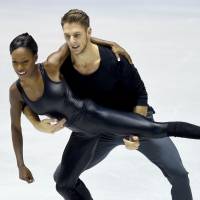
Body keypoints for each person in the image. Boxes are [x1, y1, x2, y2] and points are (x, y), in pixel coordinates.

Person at [22, 9, 195, 200]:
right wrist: (36, 122)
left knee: (179, 174)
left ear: (89, 33)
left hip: (136, 120)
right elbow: (26, 91)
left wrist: (134, 133)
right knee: (62, 178)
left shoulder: (115, 59)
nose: (72, 41)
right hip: (99, 130)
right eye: (67, 36)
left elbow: (140, 96)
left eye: (77, 35)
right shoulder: (61, 68)